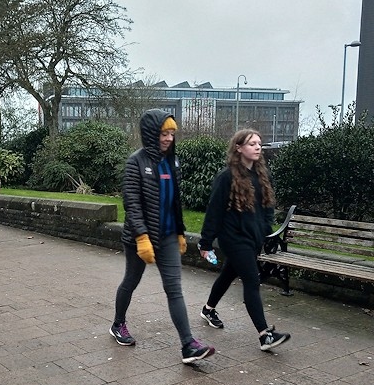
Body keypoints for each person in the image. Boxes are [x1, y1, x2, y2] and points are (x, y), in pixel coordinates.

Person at [110, 109, 215, 364]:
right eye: (163, 133)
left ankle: (188, 345)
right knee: (131, 281)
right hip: (140, 238)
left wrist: (179, 232)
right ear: (151, 133)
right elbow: (132, 203)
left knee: (174, 289)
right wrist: (142, 237)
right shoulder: (136, 161)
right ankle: (118, 323)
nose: (168, 138)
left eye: (171, 134)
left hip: (167, 236)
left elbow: (175, 202)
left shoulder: (173, 162)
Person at [198, 128, 291, 351]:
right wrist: (206, 242)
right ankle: (264, 335)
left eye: (259, 143)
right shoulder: (226, 177)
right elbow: (214, 211)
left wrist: (265, 230)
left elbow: (268, 206)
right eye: (251, 144)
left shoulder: (262, 175)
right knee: (251, 280)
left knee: (229, 272)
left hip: (253, 238)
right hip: (233, 237)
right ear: (238, 148)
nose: (257, 147)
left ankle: (208, 309)